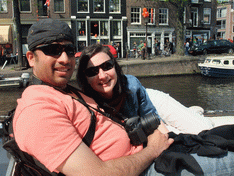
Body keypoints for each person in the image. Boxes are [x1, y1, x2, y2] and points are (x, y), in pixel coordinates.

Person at [13, 19, 234, 176]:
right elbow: (96, 174)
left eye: (69, 50)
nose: (64, 58)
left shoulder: (67, 91)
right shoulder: (37, 109)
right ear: (31, 58)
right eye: (52, 50)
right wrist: (152, 150)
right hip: (146, 167)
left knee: (222, 137)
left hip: (150, 155)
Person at [77, 43, 214, 134]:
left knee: (204, 129)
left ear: (115, 67)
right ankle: (188, 112)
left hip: (150, 100)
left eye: (107, 66)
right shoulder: (86, 104)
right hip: (140, 121)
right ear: (85, 79)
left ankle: (192, 114)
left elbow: (153, 119)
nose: (102, 76)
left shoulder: (132, 85)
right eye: (92, 72)